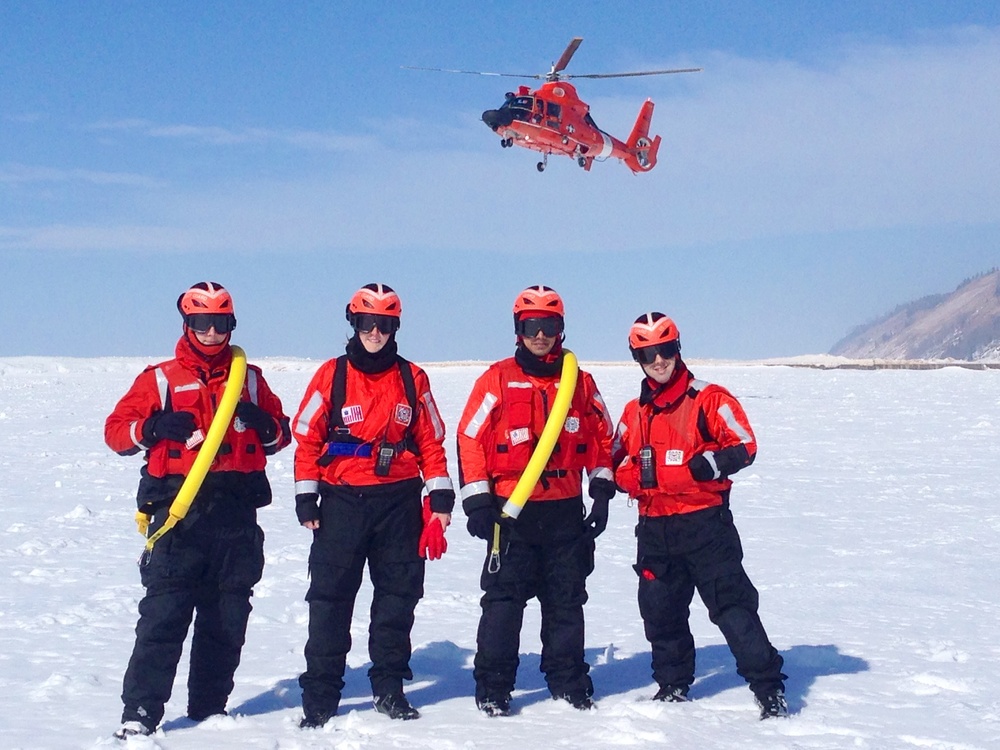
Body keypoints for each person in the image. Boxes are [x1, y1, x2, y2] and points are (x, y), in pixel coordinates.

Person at [104, 282, 291, 739]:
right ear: (187, 323)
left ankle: (209, 708)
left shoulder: (249, 379)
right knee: (164, 615)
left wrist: (266, 424)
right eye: (202, 322)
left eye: (220, 323)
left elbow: (282, 434)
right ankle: (140, 712)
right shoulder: (160, 379)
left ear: (232, 325)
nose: (211, 332)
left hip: (235, 513)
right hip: (178, 514)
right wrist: (152, 427)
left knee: (227, 617)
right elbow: (116, 432)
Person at [292, 283, 454, 727]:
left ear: (395, 327)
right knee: (330, 600)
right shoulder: (332, 376)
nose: (375, 332)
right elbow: (307, 439)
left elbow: (431, 441)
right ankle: (321, 695)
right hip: (342, 502)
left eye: (384, 324)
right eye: (367, 323)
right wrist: (306, 497)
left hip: (399, 503)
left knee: (398, 599)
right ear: (354, 322)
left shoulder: (413, 378)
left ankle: (389, 688)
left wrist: (440, 496)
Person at [612, 312, 788, 719]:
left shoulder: (709, 399)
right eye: (648, 354)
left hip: (705, 526)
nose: (658, 361)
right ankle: (672, 685)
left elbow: (745, 444)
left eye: (665, 350)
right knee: (660, 612)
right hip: (655, 528)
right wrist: (626, 478)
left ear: (677, 349)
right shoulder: (633, 413)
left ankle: (768, 688)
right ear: (637, 359)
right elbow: (611, 458)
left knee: (732, 607)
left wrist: (711, 464)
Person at [457, 285, 616, 717]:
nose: (540, 335)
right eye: (531, 326)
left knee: (566, 601)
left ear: (561, 328)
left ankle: (568, 681)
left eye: (548, 325)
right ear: (518, 330)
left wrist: (601, 493)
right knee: (503, 605)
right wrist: (478, 503)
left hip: (564, 512)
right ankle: (493, 687)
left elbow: (603, 440)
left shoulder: (580, 383)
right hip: (512, 513)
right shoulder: (495, 380)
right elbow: (469, 438)